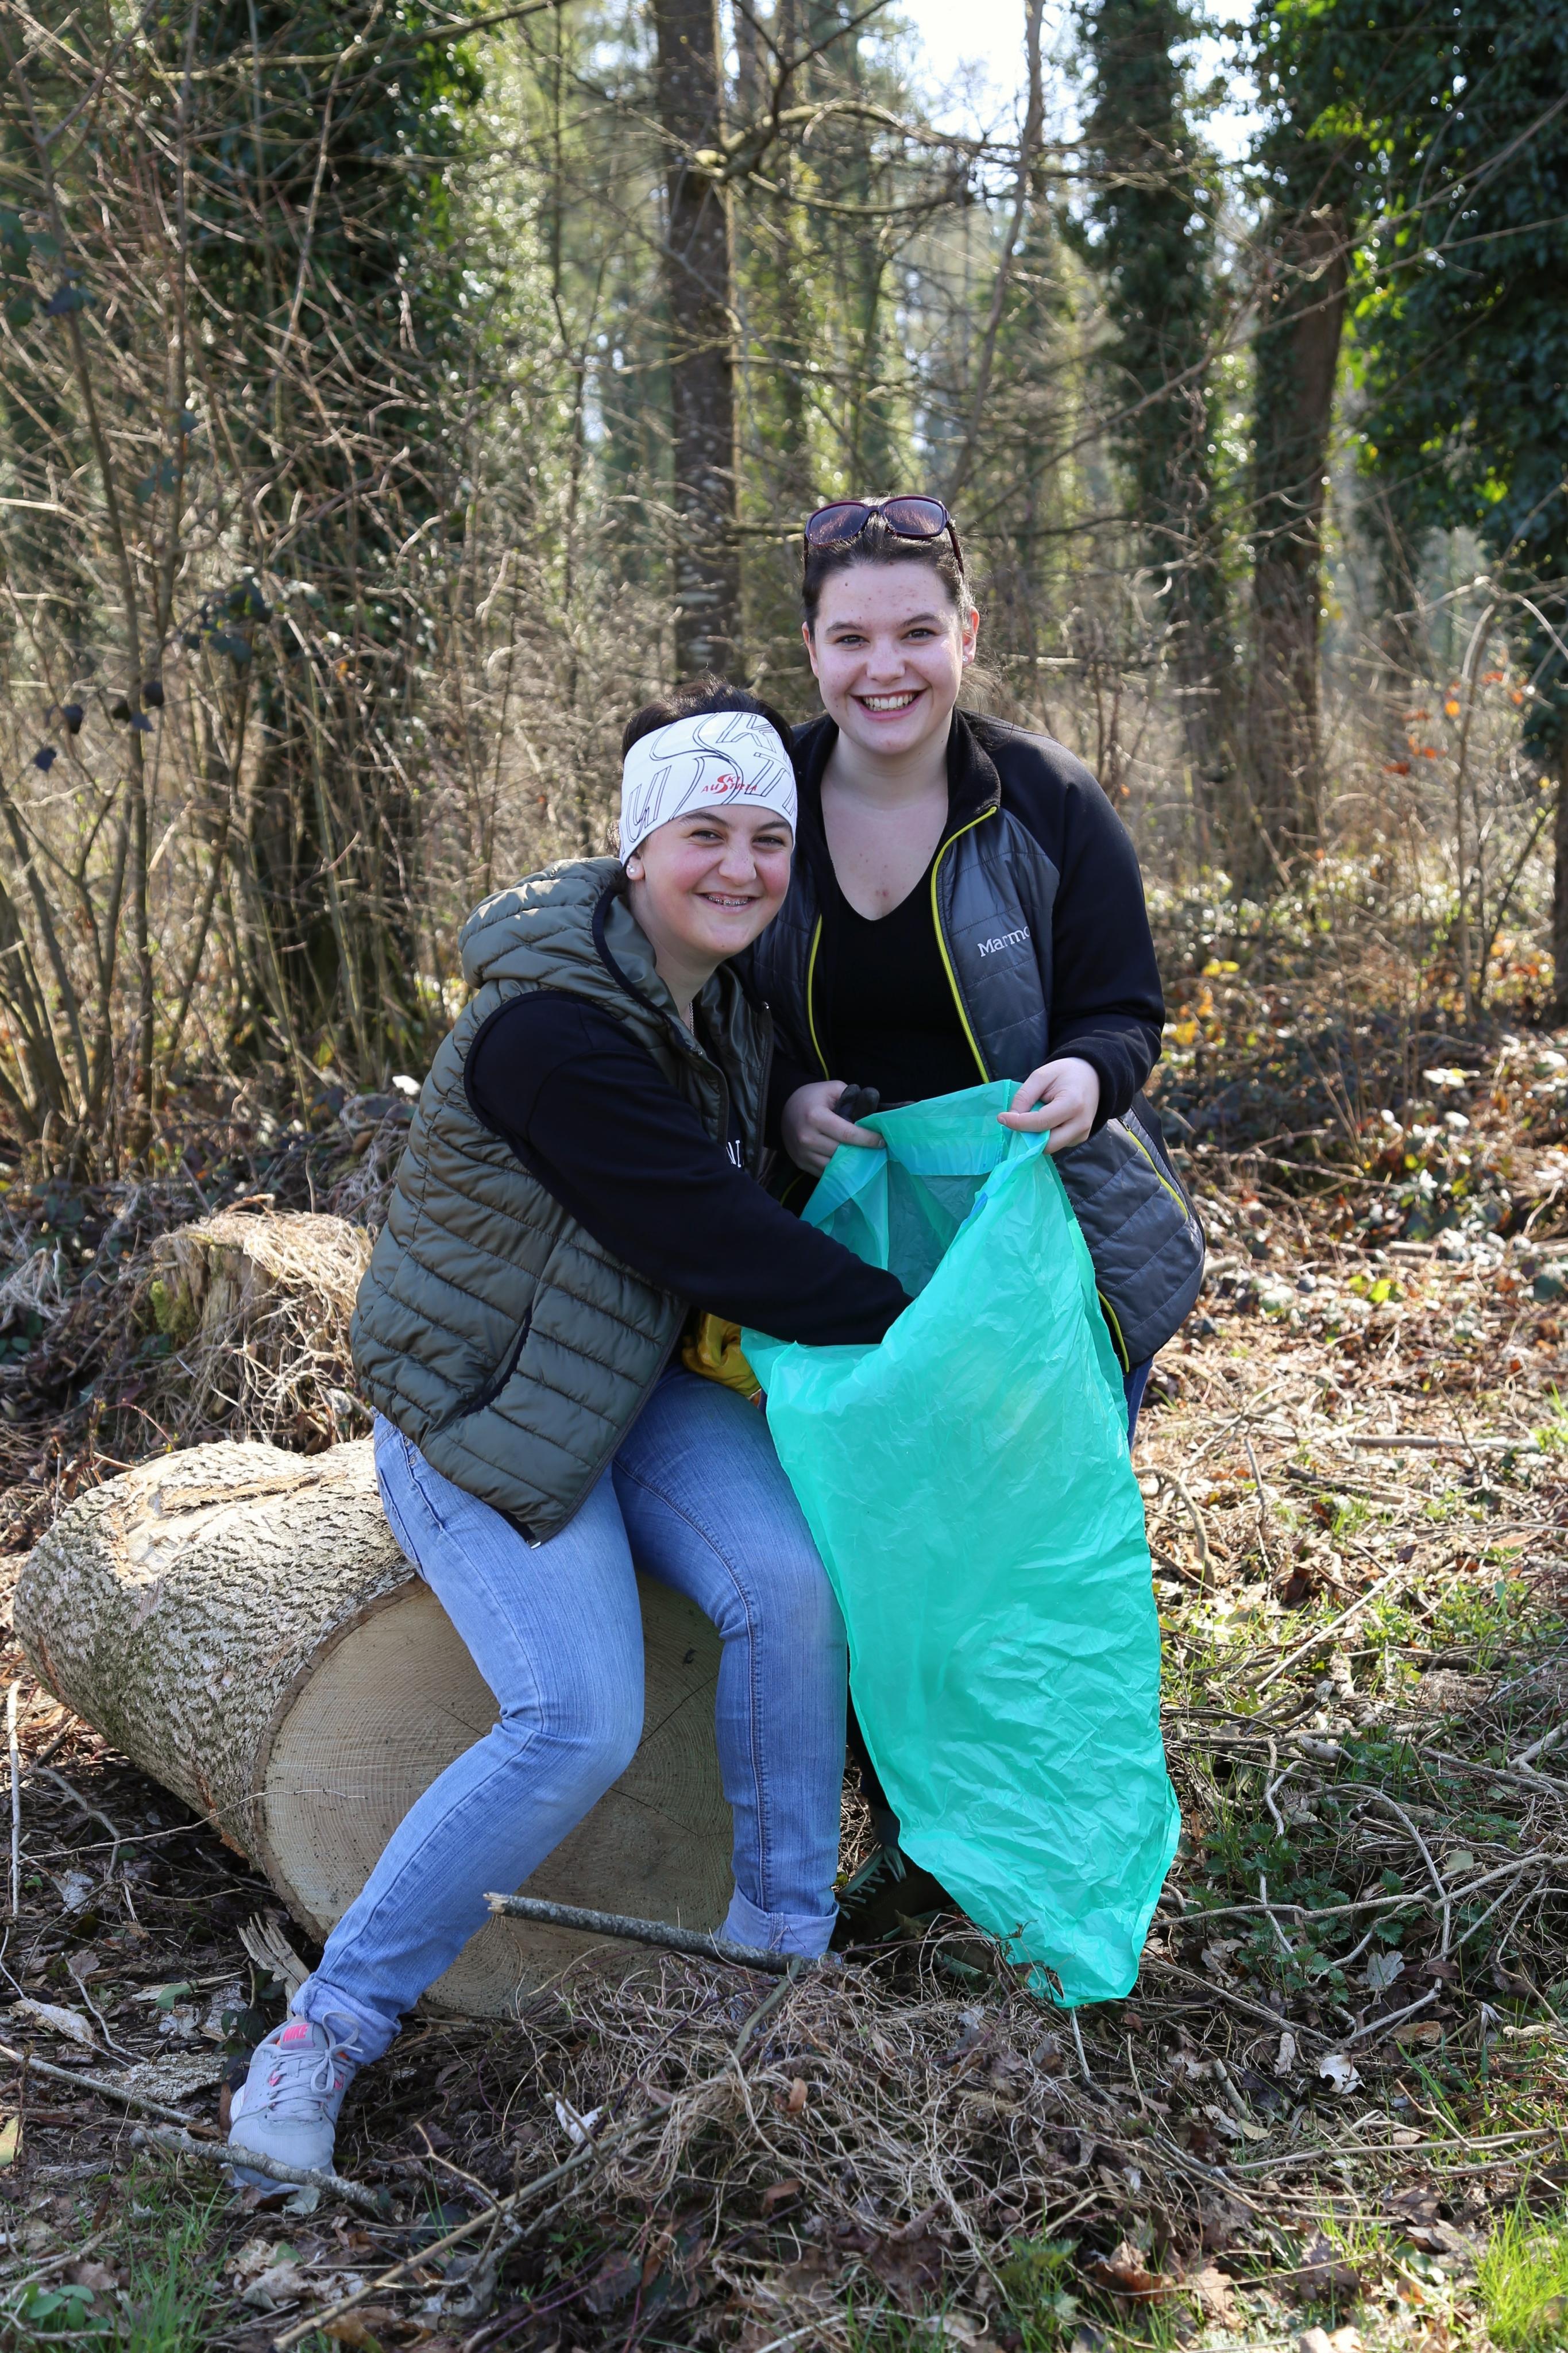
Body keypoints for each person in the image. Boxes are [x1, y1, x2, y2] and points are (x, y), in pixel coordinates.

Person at [226, 683, 912, 2186]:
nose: (741, 867)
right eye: (705, 835)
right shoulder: (548, 1028)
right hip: (482, 1410)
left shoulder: (720, 1002)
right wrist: (928, 1329)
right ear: (636, 847)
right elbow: (704, 1227)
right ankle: (326, 2029)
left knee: (792, 1590)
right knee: (579, 1717)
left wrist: (796, 1112)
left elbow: (729, 1164)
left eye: (767, 839)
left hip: (637, 1389)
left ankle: (773, 1966)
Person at [743, 493, 1202, 1938]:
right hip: (849, 1250)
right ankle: (919, 1839)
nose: (885, 668)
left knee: (1022, 1549)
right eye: (851, 637)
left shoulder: (1045, 799)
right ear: (810, 648)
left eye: (917, 632)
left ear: (968, 633)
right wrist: (784, 1105)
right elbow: (713, 1008)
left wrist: (1090, 1072)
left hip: (1042, 1240)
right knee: (871, 1547)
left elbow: (1125, 1005)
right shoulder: (763, 804)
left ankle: (1047, 1841)